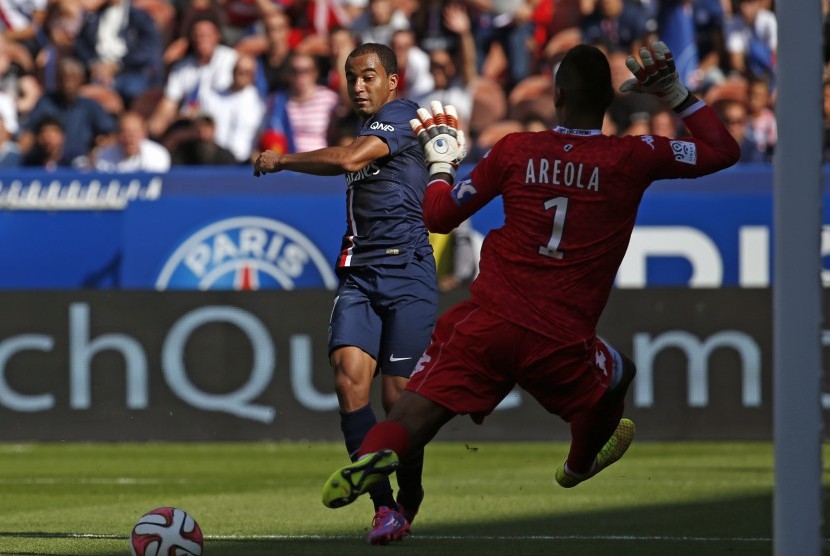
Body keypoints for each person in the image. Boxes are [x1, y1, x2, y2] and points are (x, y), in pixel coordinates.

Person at [319, 41, 740, 524]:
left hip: (487, 322)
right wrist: (674, 92)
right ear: (608, 101)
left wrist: (440, 165)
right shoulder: (633, 155)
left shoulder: (515, 150)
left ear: (555, 95)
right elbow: (723, 151)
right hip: (560, 338)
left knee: (412, 414)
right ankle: (578, 465)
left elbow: (437, 216)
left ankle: (377, 458)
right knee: (617, 374)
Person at [253, 43, 438, 544]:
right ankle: (384, 509)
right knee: (348, 379)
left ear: (393, 81)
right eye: (352, 77)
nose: (358, 85)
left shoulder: (401, 116)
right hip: (359, 273)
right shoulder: (371, 125)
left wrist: (282, 159)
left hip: (408, 276)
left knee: (399, 400)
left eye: (369, 76)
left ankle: (411, 493)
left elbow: (349, 159)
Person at [93, 111, 171, 172]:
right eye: (124, 132)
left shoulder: (157, 155)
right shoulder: (104, 156)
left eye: (134, 132)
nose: (129, 138)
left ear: (144, 133)